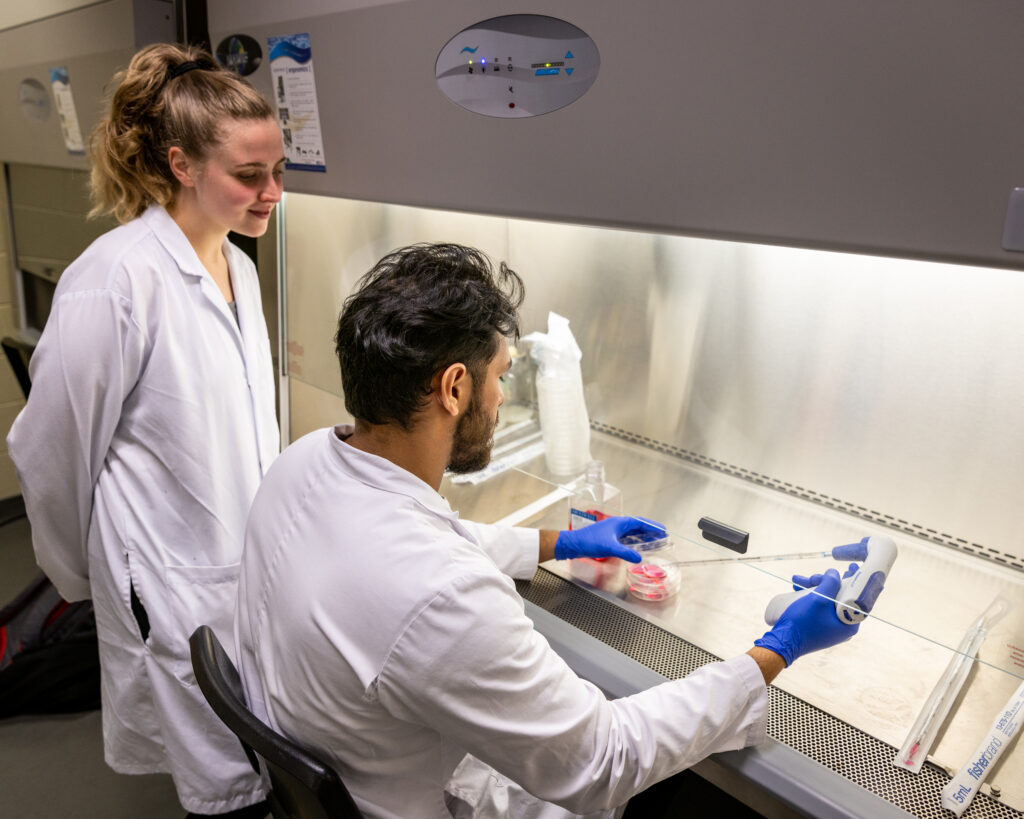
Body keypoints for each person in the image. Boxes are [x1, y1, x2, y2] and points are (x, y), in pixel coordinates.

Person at [234, 243, 860, 819]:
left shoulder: (305, 461)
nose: (503, 397)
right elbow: (602, 761)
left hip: (347, 759)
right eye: (500, 375)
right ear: (455, 387)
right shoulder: (441, 598)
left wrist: (560, 542)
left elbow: (410, 546)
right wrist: (777, 650)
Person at [6, 44, 283, 818]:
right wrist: (86, 579)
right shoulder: (114, 278)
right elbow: (50, 451)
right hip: (168, 581)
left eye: (278, 170)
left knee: (259, 769)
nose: (273, 193)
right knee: (224, 792)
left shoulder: (240, 266)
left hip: (240, 569)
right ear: (182, 164)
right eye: (249, 175)